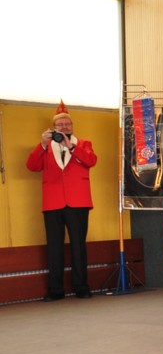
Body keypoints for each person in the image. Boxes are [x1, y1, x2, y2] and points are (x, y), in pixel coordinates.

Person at [26, 101, 97, 301]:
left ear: (72, 126)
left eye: (67, 124)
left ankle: (81, 287)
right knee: (54, 247)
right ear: (53, 128)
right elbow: (32, 166)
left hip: (78, 202)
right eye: (60, 125)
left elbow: (91, 160)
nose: (64, 127)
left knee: (78, 246)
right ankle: (55, 290)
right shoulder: (45, 147)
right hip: (53, 203)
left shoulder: (83, 144)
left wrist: (71, 147)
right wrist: (42, 144)